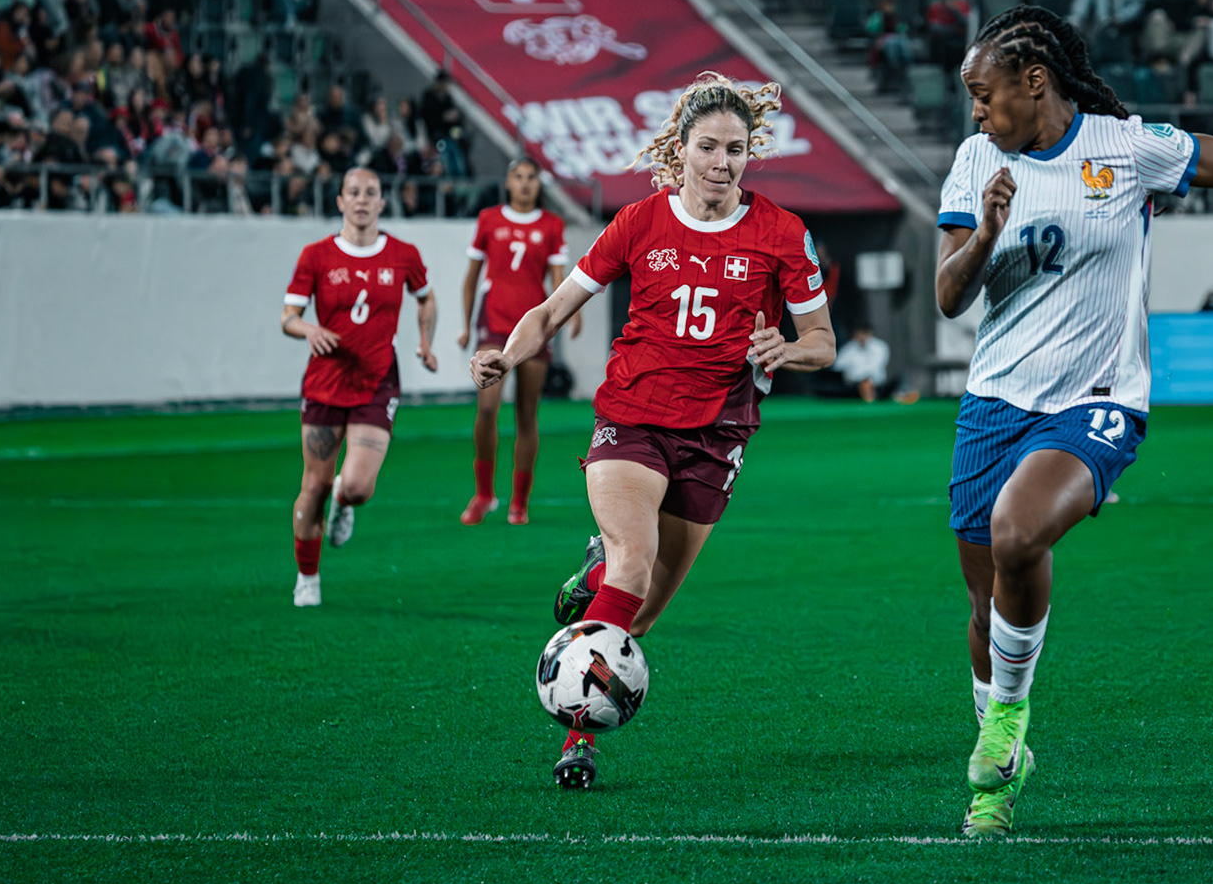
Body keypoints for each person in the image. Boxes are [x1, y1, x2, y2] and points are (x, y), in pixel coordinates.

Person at [934, 6, 1213, 836]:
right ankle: (998, 782)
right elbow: (950, 296)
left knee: (1020, 533)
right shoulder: (976, 160)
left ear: (1035, 81)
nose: (976, 113)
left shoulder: (1125, 148)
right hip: (993, 405)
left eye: (983, 95)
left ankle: (1008, 726)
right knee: (985, 610)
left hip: (1097, 401)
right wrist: (985, 230)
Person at [469, 74, 835, 789]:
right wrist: (504, 357)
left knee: (641, 611)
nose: (722, 162)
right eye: (708, 147)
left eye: (736, 148)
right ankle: (580, 740)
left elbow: (822, 339)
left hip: (720, 433)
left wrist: (787, 351)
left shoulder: (782, 233)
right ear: (682, 148)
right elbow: (549, 310)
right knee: (636, 559)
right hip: (633, 416)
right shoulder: (639, 221)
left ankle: (594, 576)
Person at [280, 168, 439, 608]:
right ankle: (307, 577)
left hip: (377, 382)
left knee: (357, 487)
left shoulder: (403, 255)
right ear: (340, 201)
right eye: (354, 192)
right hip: (325, 382)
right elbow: (287, 317)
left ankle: (345, 503)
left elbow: (426, 297)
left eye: (371, 192)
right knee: (313, 485)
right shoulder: (316, 256)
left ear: (383, 202)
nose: (363, 200)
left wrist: (425, 341)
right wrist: (308, 330)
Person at [458, 158, 577, 526]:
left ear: (537, 185)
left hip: (533, 328)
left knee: (527, 412)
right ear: (509, 182)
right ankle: (484, 494)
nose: (525, 184)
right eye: (518, 178)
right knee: (488, 407)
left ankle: (519, 502)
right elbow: (471, 278)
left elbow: (560, 281)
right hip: (493, 322)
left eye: (531, 178)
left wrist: (571, 314)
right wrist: (465, 326)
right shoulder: (489, 220)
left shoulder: (552, 225)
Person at [831, 323, 892, 401]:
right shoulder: (848, 349)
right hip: (853, 386)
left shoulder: (880, 347)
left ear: (869, 334)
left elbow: (875, 367)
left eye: (864, 333)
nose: (862, 337)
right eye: (859, 333)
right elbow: (837, 366)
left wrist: (862, 377)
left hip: (876, 385)